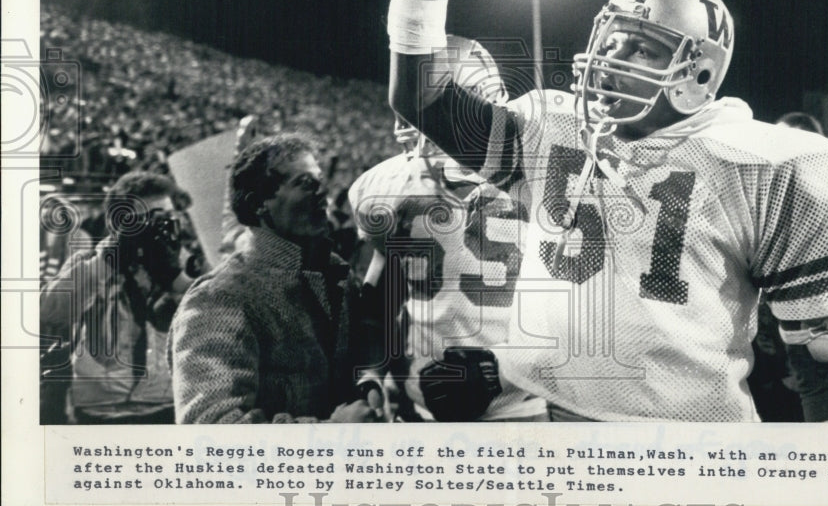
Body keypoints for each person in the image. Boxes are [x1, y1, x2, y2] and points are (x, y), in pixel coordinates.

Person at [385, 0, 828, 422]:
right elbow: (419, 96)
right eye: (610, 36)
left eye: (641, 46)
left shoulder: (770, 163)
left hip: (690, 454)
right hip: (555, 431)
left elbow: (822, 360)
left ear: (698, 73)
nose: (610, 54)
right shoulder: (554, 130)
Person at [348, 35, 547, 422]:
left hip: (521, 408)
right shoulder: (394, 189)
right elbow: (379, 300)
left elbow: (573, 310)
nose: (414, 125)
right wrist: (373, 371)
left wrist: (496, 371)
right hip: (420, 408)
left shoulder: (538, 184)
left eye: (430, 108)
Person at [168, 133, 379, 423]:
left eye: (320, 182)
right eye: (305, 183)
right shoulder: (219, 298)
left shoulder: (334, 277)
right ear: (259, 203)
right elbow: (209, 430)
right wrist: (332, 432)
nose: (323, 194)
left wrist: (369, 383)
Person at [40, 172, 200, 424]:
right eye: (146, 219)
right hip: (100, 408)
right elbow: (50, 312)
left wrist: (175, 276)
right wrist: (109, 260)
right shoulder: (88, 263)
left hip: (167, 404)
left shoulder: (189, 265)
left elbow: (211, 323)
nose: (160, 225)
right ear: (119, 223)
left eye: (167, 217)